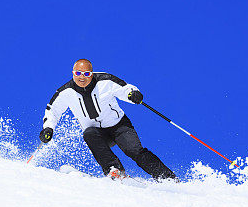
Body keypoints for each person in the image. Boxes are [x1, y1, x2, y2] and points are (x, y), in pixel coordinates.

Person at [40, 59, 176, 180]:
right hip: (98, 134)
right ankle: (114, 170)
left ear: (91, 74)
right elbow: (53, 111)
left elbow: (125, 88)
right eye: (78, 73)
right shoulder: (65, 92)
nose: (82, 77)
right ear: (73, 73)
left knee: (134, 151)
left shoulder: (105, 80)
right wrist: (48, 128)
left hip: (119, 126)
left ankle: (167, 178)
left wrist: (133, 94)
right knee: (89, 133)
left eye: (86, 74)